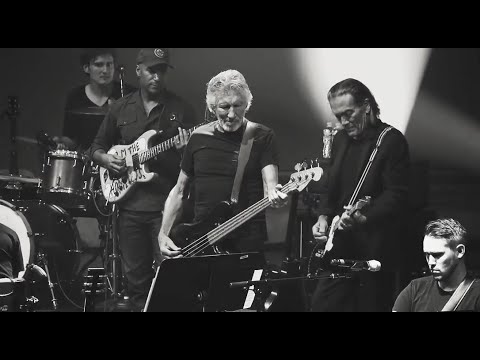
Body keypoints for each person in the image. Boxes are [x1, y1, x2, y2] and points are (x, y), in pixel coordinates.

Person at [89, 48, 198, 311]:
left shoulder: (181, 109)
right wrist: (106, 160)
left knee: (170, 276)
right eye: (151, 70)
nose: (157, 77)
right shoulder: (120, 107)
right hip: (130, 208)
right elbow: (95, 148)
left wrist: (186, 150)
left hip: (166, 207)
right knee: (136, 280)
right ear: (138, 71)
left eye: (161, 70)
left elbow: (197, 162)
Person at [158, 69, 288, 261]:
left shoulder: (261, 136)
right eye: (224, 107)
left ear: (247, 105)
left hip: (246, 240)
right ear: (212, 107)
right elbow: (179, 191)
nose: (232, 114)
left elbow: (271, 186)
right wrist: (163, 234)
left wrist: (276, 195)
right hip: (201, 240)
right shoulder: (198, 136)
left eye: (238, 105)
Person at [310, 78, 410, 312]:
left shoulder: (390, 140)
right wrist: (323, 216)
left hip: (373, 248)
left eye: (348, 113)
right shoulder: (340, 139)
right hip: (340, 245)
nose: (343, 122)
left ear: (366, 106)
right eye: (338, 116)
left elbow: (397, 194)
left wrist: (365, 216)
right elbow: (331, 186)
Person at [54, 48, 136, 152]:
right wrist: (61, 142)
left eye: (109, 64)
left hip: (121, 159)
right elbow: (71, 139)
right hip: (86, 162)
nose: (105, 70)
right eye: (99, 65)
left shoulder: (127, 93)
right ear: (86, 68)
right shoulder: (75, 97)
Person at [393, 218, 480, 312]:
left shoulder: (477, 294)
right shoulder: (414, 289)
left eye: (437, 255)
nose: (430, 262)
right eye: (427, 255)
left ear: (459, 251)